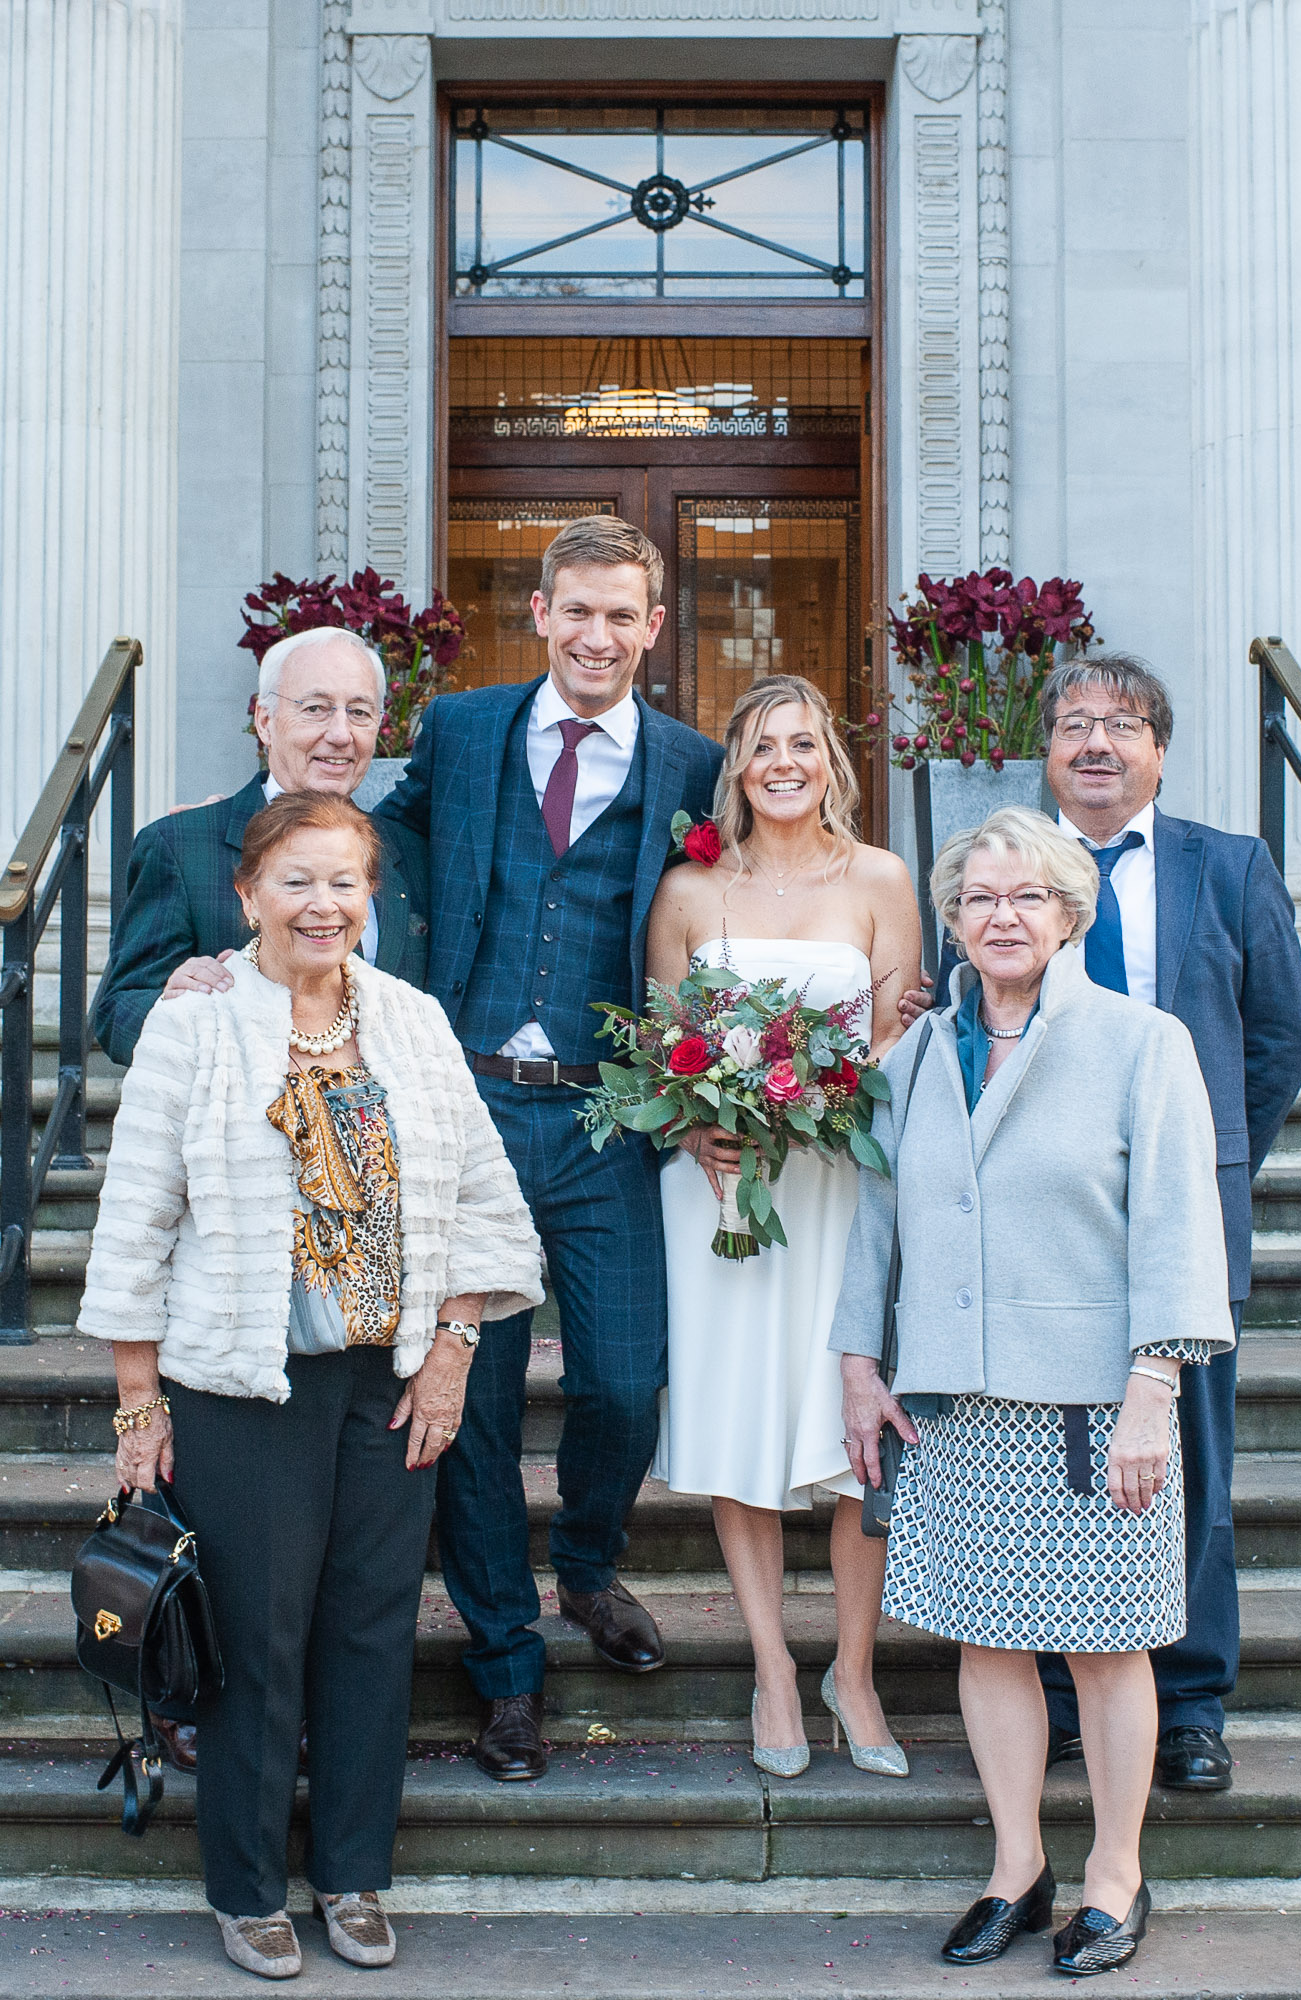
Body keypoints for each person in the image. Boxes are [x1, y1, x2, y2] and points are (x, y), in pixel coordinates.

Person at [78, 792, 543, 1981]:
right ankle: (244, 1885)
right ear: (247, 896)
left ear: (369, 897)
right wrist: (140, 1400)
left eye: (344, 882)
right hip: (243, 1387)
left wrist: (453, 1346)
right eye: (296, 881)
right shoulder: (196, 1026)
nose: (322, 905)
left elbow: (487, 1201)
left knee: (372, 1629)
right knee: (254, 1637)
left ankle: (351, 1869)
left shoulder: (415, 1021)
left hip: (384, 1383)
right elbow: (136, 1218)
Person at [898, 656, 1301, 1789]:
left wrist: (1201, 1159)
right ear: (1044, 749)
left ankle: (1184, 1698)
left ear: (1158, 748)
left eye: (1120, 724)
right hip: (1033, 1248)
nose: (1094, 742)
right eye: (1073, 723)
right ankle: (1056, 1692)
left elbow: (1280, 1034)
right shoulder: (999, 881)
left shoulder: (1224, 866)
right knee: (1041, 1476)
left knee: (1184, 1466)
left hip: (1180, 1230)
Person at [837, 806, 1234, 1973]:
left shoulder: (1136, 1039)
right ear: (949, 921)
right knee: (985, 1641)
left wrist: (1152, 1387)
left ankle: (1115, 1871)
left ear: (1069, 913)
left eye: (1026, 897)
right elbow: (878, 1222)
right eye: (978, 898)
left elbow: (1175, 1221)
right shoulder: (913, 1055)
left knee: (1107, 1644)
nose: (1000, 916)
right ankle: (1017, 1865)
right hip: (952, 1399)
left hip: (1090, 1407)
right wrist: (861, 1363)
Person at [376, 516, 723, 1782]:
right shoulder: (462, 732)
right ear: (538, 612)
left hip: (605, 1114)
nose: (595, 635)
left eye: (620, 614)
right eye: (574, 610)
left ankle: (583, 1561)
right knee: (469, 1410)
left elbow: (741, 898)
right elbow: (374, 853)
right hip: (463, 1105)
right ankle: (506, 1666)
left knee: (626, 1377)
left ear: (651, 626)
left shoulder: (694, 762)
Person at [645, 674, 921, 1777]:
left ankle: (849, 1669)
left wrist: (829, 1095)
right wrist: (692, 1127)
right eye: (762, 745)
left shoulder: (878, 877)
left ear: (831, 759)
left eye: (802, 743)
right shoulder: (687, 888)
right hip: (723, 1192)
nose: (784, 762)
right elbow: (665, 1049)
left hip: (842, 1179)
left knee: (853, 1430)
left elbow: (904, 1029)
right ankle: (770, 1667)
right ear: (736, 765)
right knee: (737, 1412)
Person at [93, 627, 431, 1068]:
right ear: (265, 722)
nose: (341, 734)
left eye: (360, 713)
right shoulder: (181, 847)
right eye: (316, 709)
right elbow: (117, 1013)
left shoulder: (408, 850)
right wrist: (182, 1009)